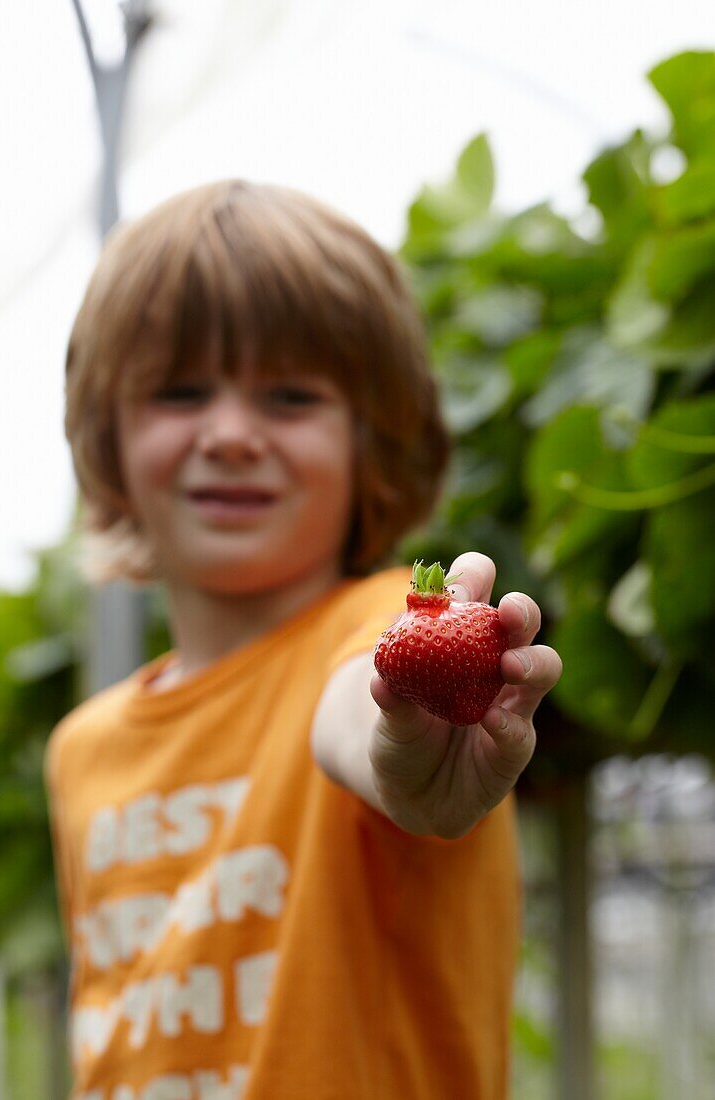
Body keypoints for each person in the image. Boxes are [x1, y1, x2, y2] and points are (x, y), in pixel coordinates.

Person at [45, 179, 562, 1100]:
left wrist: (401, 757)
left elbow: (358, 702)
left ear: (373, 442)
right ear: (106, 436)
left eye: (289, 397)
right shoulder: (83, 749)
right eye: (179, 391)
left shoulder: (376, 637)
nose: (232, 434)